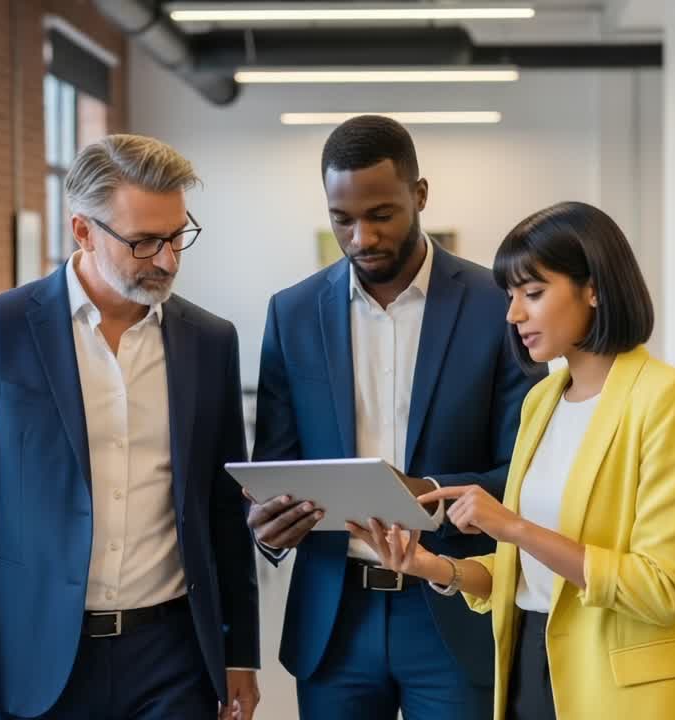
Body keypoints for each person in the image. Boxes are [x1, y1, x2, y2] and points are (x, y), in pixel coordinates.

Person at [0, 135, 260, 720]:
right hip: (36, 656)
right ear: (83, 230)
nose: (169, 259)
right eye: (145, 242)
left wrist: (240, 654)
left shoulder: (210, 341)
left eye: (178, 236)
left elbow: (225, 510)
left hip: (174, 656)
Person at [349, 201, 675, 720]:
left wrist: (514, 527)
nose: (513, 314)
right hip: (529, 664)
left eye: (534, 293)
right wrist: (427, 565)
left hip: (623, 689)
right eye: (510, 296)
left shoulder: (670, 399)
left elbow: (661, 589)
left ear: (593, 288)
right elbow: (528, 572)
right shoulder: (542, 402)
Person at [246, 115, 540, 720]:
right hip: (335, 618)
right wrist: (267, 527)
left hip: (454, 605)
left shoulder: (496, 307)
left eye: (381, 214)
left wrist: (430, 493)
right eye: (342, 219)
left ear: (420, 195)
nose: (360, 238)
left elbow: (528, 467)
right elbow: (276, 462)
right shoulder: (293, 313)